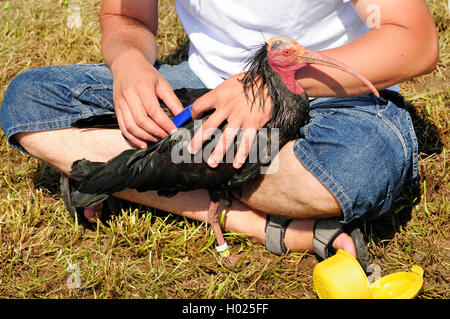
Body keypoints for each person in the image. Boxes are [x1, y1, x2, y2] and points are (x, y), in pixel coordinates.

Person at [0, 0, 438, 268]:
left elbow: (415, 41)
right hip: (204, 85)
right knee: (29, 103)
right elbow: (125, 15)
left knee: (355, 168)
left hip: (332, 93)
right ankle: (256, 220)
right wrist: (128, 61)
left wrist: (269, 83)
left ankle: (125, 172)